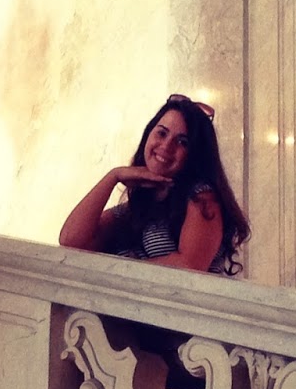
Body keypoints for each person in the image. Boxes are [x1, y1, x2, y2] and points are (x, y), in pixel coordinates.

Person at [59, 94, 250, 274]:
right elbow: (71, 241)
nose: (166, 146)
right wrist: (112, 176)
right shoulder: (137, 208)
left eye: (182, 142)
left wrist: (114, 269)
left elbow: (190, 266)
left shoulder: (202, 197)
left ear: (195, 154)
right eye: (162, 133)